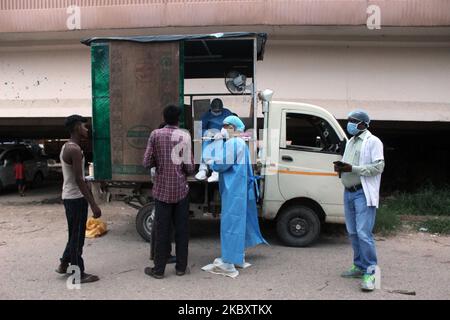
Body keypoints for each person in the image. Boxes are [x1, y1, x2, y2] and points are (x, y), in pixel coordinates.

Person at [203, 115, 267, 277]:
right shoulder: (240, 143)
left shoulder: (232, 143)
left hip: (233, 190)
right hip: (239, 189)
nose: (223, 129)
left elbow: (221, 164)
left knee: (230, 225)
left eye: (226, 126)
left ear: (233, 127)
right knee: (238, 223)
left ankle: (228, 263)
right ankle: (237, 257)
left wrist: (211, 162)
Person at [334, 110, 385, 292]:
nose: (350, 124)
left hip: (362, 193)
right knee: (353, 232)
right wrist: (342, 168)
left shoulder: (373, 142)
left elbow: (379, 166)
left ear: (363, 124)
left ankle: (371, 273)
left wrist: (352, 168)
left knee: (364, 233)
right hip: (348, 192)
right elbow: (349, 165)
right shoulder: (351, 141)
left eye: (353, 121)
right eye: (348, 120)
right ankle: (359, 266)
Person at [143, 105, 194, 279]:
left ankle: (158, 270)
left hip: (161, 190)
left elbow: (146, 162)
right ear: (178, 119)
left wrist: (159, 164)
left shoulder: (155, 135)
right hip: (180, 190)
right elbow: (190, 167)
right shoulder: (185, 136)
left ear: (164, 118)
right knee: (181, 230)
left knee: (162, 230)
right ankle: (181, 267)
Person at [56, 114, 101, 283]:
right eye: (84, 126)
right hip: (76, 198)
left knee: (74, 234)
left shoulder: (68, 146)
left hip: (70, 196)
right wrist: (93, 204)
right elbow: (79, 180)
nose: (87, 129)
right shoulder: (74, 150)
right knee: (77, 238)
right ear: (76, 128)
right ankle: (77, 274)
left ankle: (64, 263)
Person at [195, 98, 232, 182]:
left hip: (223, 139)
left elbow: (234, 126)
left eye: (218, 111)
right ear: (211, 109)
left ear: (222, 109)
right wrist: (207, 132)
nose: (216, 113)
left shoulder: (227, 114)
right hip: (209, 138)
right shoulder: (206, 115)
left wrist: (223, 133)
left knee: (219, 144)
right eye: (214, 111)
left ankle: (216, 171)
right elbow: (199, 129)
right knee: (205, 144)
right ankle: (203, 170)